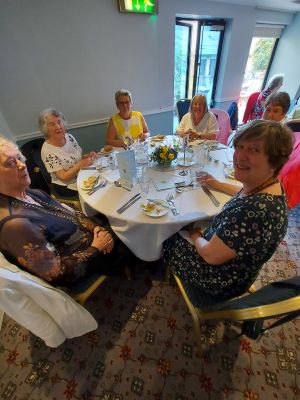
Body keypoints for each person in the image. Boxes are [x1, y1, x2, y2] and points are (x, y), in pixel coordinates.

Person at [163, 120, 293, 301]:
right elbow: (243, 192)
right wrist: (215, 183)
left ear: (275, 161)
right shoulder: (268, 185)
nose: (240, 156)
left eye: (254, 150)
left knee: (168, 234)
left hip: (218, 279)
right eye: (240, 146)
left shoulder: (254, 213)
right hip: (237, 268)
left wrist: (194, 234)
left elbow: (209, 255)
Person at [0, 137, 132, 286]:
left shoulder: (30, 192)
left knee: (117, 227)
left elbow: (72, 212)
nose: (22, 165)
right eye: (10, 163)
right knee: (124, 235)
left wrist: (96, 228)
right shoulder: (15, 225)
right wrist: (97, 247)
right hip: (78, 264)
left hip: (85, 238)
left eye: (19, 158)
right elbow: (58, 273)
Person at [40, 108, 97, 196]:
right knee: (96, 191)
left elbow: (77, 158)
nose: (58, 127)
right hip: (65, 186)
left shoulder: (69, 137)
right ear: (45, 129)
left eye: (59, 122)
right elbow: (63, 177)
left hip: (80, 175)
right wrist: (80, 164)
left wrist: (88, 156)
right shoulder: (47, 150)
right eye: (52, 124)